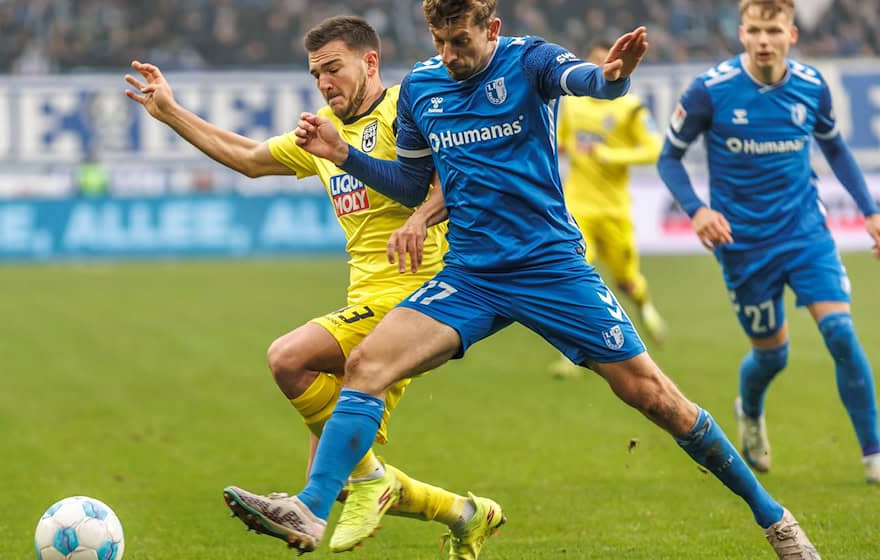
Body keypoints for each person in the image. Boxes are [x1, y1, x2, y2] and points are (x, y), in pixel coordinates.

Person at [222, 1, 819, 558]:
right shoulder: (423, 89)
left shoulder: (529, 60)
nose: (451, 54)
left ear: (493, 29)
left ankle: (774, 517)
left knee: (654, 397)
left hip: (550, 268)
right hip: (472, 275)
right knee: (366, 367)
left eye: (462, 41)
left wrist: (613, 75)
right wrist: (343, 153)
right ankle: (309, 508)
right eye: (441, 41)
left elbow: (589, 81)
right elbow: (409, 185)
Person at [125, 15, 505, 555]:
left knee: (288, 358)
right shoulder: (323, 131)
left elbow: (454, 178)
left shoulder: (411, 106)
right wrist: (171, 113)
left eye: (333, 68)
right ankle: (466, 514)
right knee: (336, 480)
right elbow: (251, 160)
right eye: (316, 74)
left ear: (369, 62)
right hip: (365, 308)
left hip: (419, 301)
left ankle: (366, 485)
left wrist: (421, 217)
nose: (325, 83)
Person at [657, 0, 880, 484]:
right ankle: (750, 412)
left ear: (791, 35)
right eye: (754, 29)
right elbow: (669, 160)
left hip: (805, 234)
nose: (763, 40)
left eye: (773, 30)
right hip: (743, 245)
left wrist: (870, 210)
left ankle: (874, 455)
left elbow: (836, 148)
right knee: (771, 354)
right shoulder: (710, 91)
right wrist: (697, 211)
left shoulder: (811, 86)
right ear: (741, 32)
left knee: (841, 332)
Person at [551, 39, 667, 377]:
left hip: (615, 210)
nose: (606, 69)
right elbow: (562, 141)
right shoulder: (572, 106)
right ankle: (570, 356)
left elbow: (654, 149)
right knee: (575, 277)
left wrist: (611, 156)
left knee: (627, 281)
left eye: (611, 63)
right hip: (578, 207)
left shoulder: (630, 109)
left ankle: (644, 306)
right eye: (598, 64)